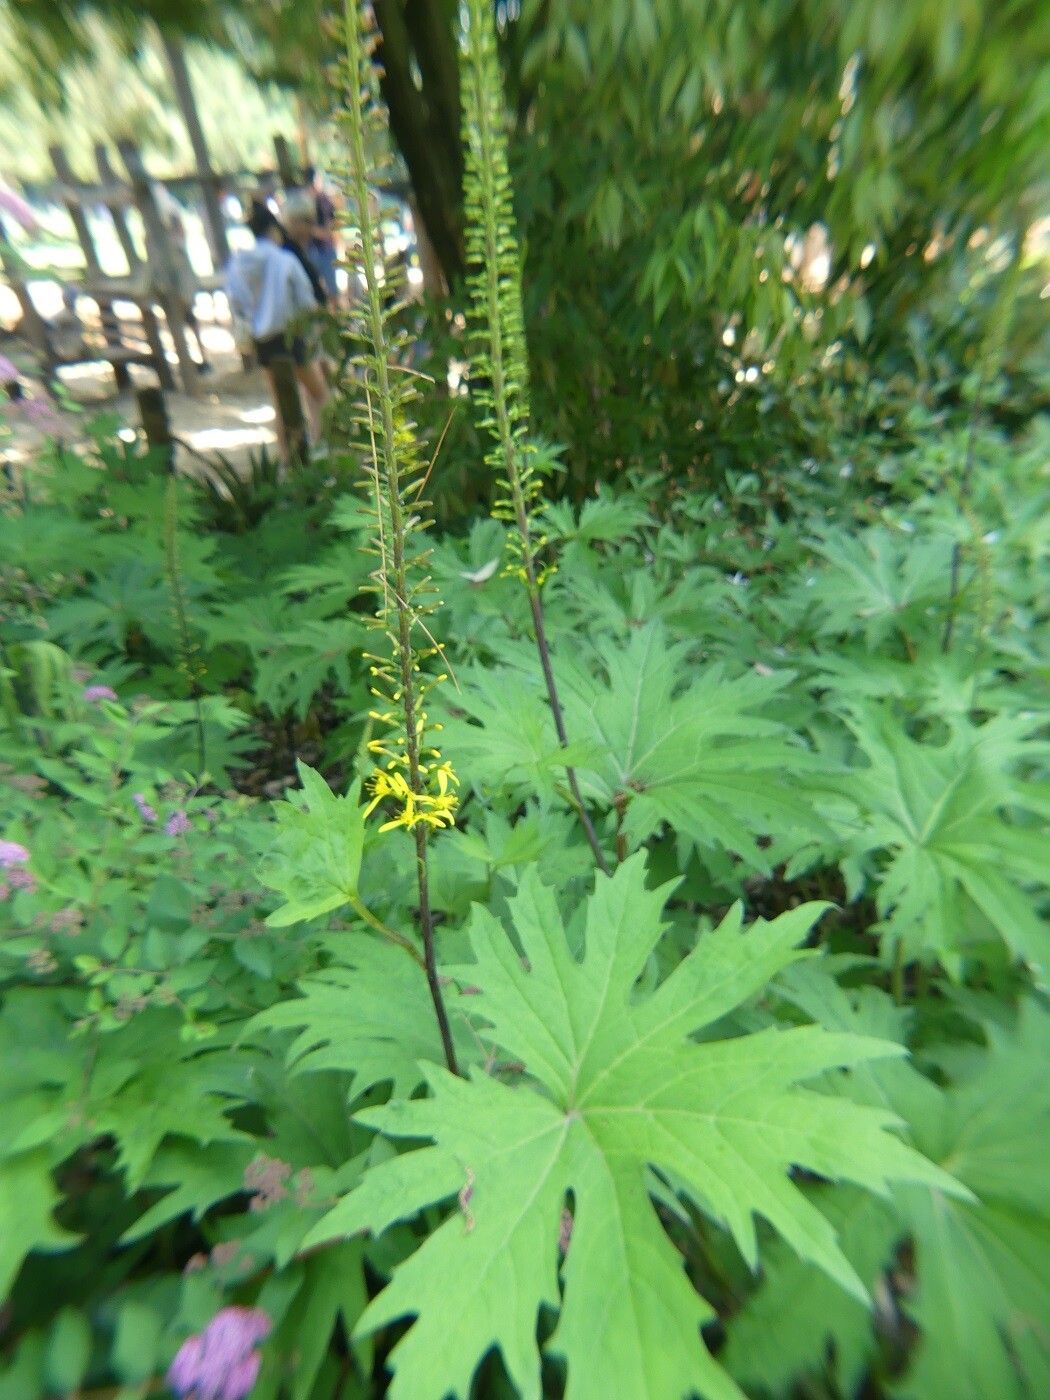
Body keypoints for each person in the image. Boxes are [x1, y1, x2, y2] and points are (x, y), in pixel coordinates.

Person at [225, 205, 329, 458]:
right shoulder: (284, 259)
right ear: (273, 230)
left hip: (263, 341)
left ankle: (287, 457)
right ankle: (323, 447)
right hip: (291, 336)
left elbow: (236, 301)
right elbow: (306, 301)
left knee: (280, 403)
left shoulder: (239, 263)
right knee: (321, 395)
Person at [147, 181, 211, 373]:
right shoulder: (163, 210)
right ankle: (191, 358)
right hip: (170, 268)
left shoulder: (164, 209)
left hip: (176, 269)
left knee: (185, 315)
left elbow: (177, 234)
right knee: (181, 316)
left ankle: (197, 357)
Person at [303, 166, 340, 303]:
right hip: (312, 250)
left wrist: (318, 232)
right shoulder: (306, 201)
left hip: (326, 249)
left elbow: (331, 224)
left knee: (332, 289)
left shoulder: (324, 201)